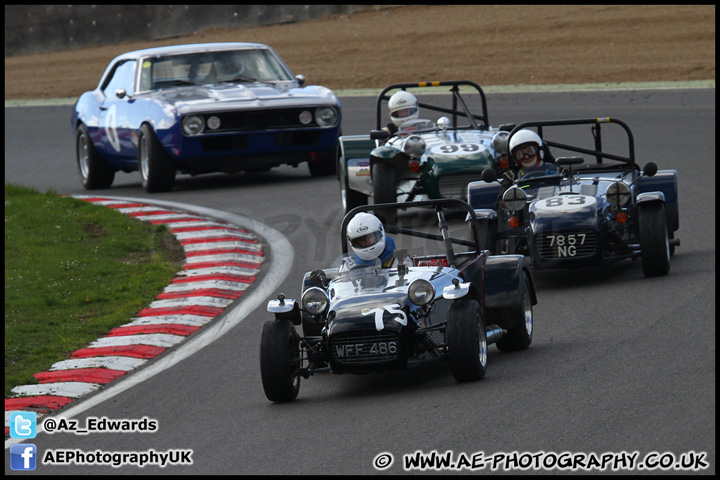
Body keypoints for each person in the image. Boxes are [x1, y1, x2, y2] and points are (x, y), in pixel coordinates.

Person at [345, 212, 410, 268]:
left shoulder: (402, 260)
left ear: (380, 234)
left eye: (370, 237)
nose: (367, 242)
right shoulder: (349, 267)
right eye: (361, 240)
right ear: (353, 242)